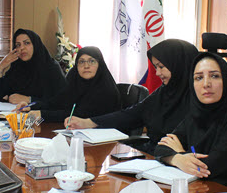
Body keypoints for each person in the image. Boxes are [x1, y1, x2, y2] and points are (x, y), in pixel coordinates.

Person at [66, 38, 199, 154]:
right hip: (154, 156)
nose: (157, 73)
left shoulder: (198, 100)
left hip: (178, 164)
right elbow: (131, 114)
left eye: (161, 67)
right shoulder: (164, 92)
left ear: (179, 65)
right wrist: (87, 122)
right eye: (155, 67)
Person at [154, 52, 227, 188]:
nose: (206, 84)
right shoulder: (197, 113)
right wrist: (177, 158)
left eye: (214, 76)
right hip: (198, 188)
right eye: (198, 78)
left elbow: (207, 168)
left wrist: (180, 153)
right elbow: (161, 147)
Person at [16, 46, 121, 121]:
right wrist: (31, 107)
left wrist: (42, 114)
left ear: (100, 64)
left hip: (104, 140)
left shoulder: (106, 90)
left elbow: (79, 115)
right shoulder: (75, 83)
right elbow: (56, 102)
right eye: (81, 61)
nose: (86, 66)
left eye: (92, 61)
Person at [0, 28, 66, 104]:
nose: (21, 48)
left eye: (27, 43)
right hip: (14, 112)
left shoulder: (51, 68)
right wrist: (0, 67)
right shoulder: (17, 68)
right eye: (18, 45)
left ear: (36, 45)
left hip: (40, 113)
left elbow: (61, 100)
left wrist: (30, 99)